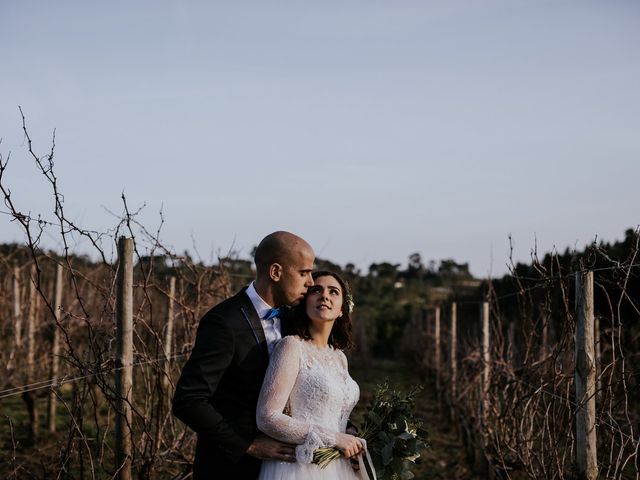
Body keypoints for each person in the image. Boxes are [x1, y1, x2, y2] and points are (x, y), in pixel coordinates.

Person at [172, 231, 315, 479]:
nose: (310, 282)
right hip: (231, 469)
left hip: (285, 469)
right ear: (276, 273)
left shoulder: (295, 321)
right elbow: (189, 400)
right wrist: (247, 444)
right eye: (303, 273)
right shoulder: (224, 322)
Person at [256, 270, 367, 480]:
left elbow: (335, 412)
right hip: (299, 468)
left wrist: (350, 437)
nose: (324, 295)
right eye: (316, 290)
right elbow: (267, 417)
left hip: (338, 466)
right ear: (305, 301)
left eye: (333, 292)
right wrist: (333, 438)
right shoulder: (291, 346)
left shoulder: (339, 357)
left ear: (342, 309)